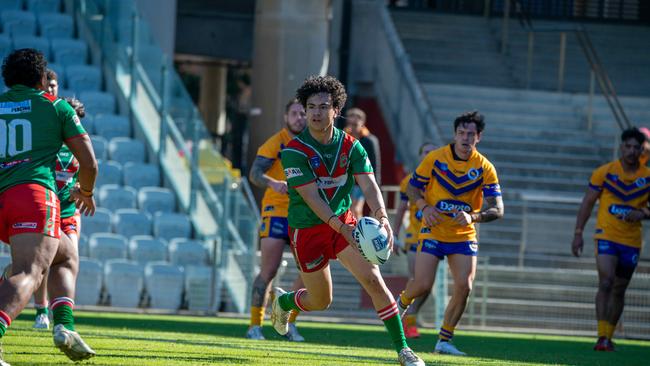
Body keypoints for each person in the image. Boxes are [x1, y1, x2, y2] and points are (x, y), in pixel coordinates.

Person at [272, 75, 424, 366]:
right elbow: (313, 199)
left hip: (343, 222)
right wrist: (343, 228)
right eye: (311, 106)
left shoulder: (352, 146)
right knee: (320, 301)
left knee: (373, 279)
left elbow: (369, 186)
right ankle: (286, 302)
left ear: (336, 110)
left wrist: (383, 217)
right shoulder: (293, 151)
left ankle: (404, 350)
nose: (316, 112)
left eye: (323, 106)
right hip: (307, 230)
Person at [0, 49, 97, 365]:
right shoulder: (56, 107)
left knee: (66, 253)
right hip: (31, 197)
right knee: (29, 270)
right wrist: (86, 192)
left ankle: (65, 327)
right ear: (42, 79)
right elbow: (89, 163)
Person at [396, 111, 504, 356]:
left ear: (479, 137)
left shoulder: (484, 167)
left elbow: (498, 208)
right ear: (455, 134)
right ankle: (400, 303)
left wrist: (473, 217)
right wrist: (424, 207)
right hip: (433, 231)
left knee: (464, 286)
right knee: (422, 284)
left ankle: (444, 340)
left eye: (471, 134)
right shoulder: (435, 158)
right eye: (461, 133)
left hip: (463, 234)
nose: (465, 138)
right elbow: (413, 187)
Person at [572, 127, 650, 352]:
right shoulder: (605, 172)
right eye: (628, 146)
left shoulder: (647, 176)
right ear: (621, 147)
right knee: (606, 282)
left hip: (632, 240)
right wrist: (578, 233)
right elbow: (587, 202)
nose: (632, 151)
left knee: (619, 289)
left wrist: (643, 213)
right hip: (606, 235)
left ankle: (609, 334)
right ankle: (602, 337)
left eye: (637, 147)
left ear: (642, 150)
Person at [246, 98, 307, 342]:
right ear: (286, 117)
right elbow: (254, 174)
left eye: (303, 113)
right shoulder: (277, 142)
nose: (299, 117)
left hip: (303, 213)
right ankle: (254, 325)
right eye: (294, 113)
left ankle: (289, 322)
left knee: (308, 270)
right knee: (268, 270)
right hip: (276, 211)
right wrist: (273, 183)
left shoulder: (313, 143)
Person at [392, 142, 436, 338]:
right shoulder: (410, 181)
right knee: (418, 280)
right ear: (420, 156)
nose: (429, 155)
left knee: (427, 285)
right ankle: (408, 319)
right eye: (426, 152)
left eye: (432, 152)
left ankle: (409, 313)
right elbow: (401, 210)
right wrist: (394, 234)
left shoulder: (443, 182)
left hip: (436, 238)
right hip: (414, 237)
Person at [344, 108, 381, 219]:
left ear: (363, 122)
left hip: (361, 181)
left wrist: (376, 184)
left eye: (357, 120)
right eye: (351, 121)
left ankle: (358, 233)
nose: (354, 124)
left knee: (356, 208)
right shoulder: (342, 137)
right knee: (346, 209)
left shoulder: (369, 140)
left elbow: (375, 162)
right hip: (345, 180)